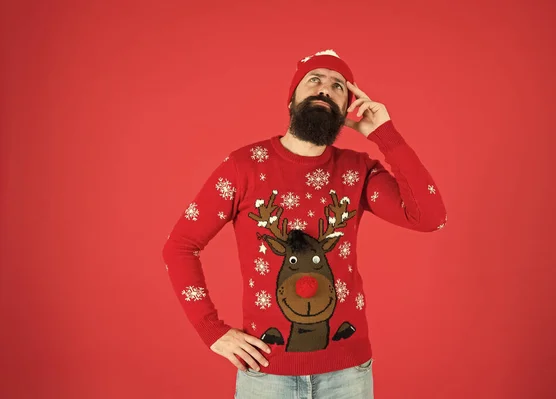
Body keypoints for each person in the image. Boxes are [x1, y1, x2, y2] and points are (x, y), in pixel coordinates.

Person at [162, 49, 447, 398]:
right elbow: (180, 246)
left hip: (348, 377)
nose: (325, 90)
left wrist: (384, 134)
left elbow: (431, 217)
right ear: (291, 99)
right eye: (314, 80)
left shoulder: (359, 171)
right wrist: (211, 330)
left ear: (346, 110)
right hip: (266, 376)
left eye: (338, 86)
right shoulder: (243, 167)